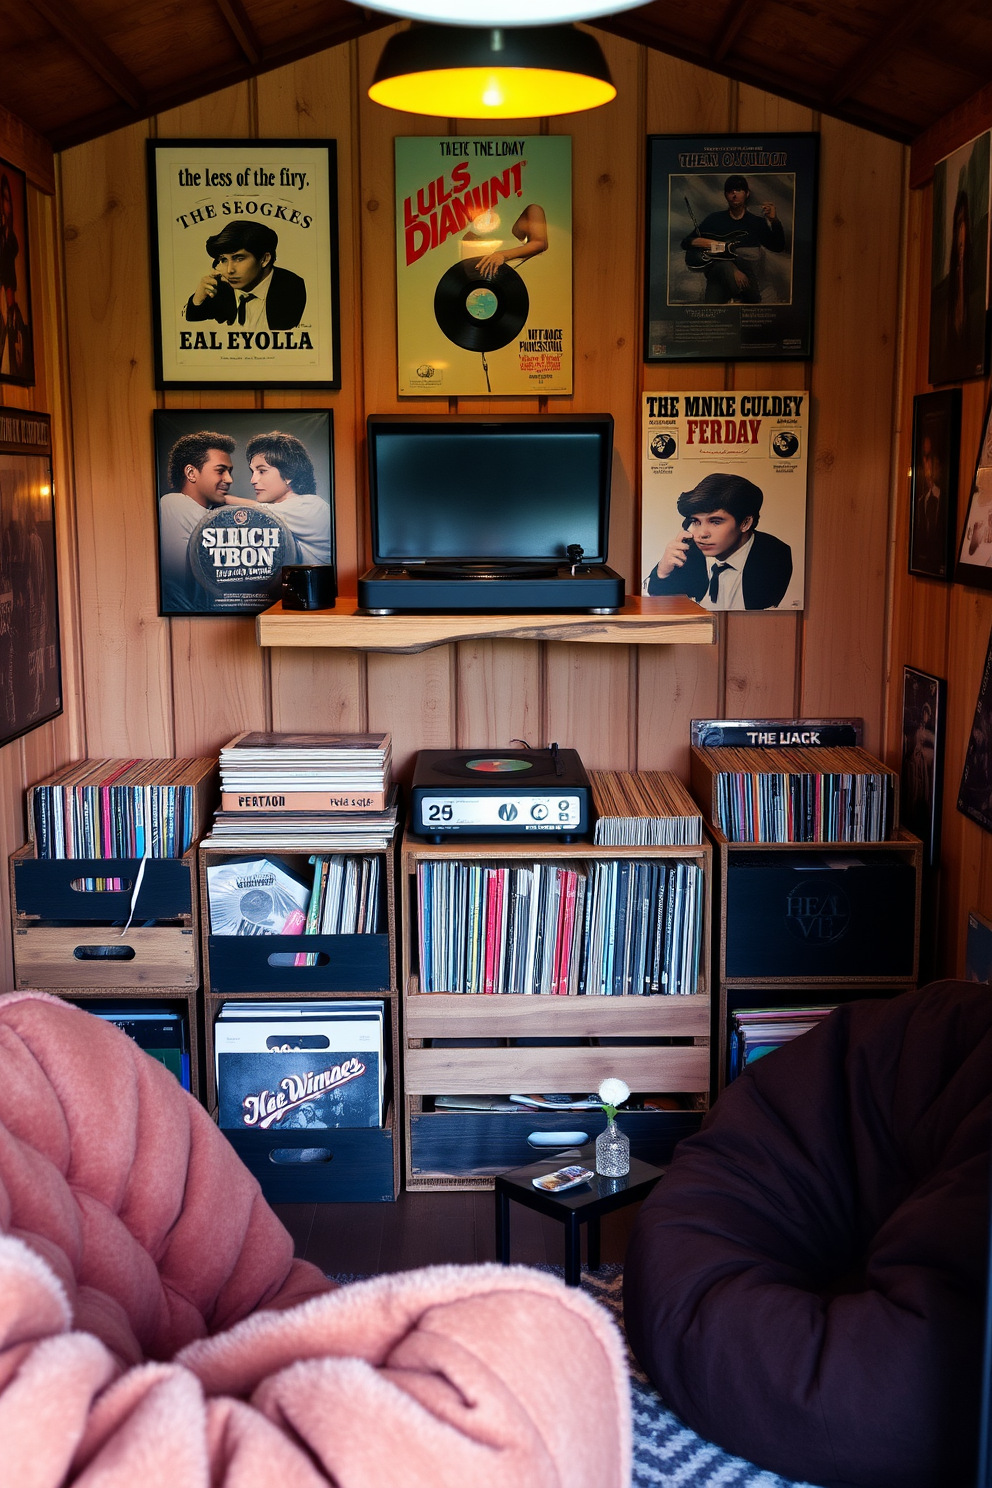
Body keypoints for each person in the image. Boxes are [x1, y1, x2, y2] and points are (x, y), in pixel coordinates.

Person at [644, 472, 793, 611]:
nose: (702, 534)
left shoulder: (774, 555)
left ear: (745, 523)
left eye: (715, 522)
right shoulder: (687, 553)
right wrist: (662, 572)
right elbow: (659, 602)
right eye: (696, 522)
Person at [225, 430, 331, 566]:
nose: (253, 480)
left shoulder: (312, 505)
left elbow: (260, 512)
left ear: (288, 475)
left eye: (262, 471)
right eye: (253, 472)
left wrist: (223, 498)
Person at [159, 432, 235, 611]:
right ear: (191, 473)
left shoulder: (206, 513)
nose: (229, 479)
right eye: (220, 471)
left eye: (229, 472)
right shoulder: (174, 504)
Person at [681, 174, 785, 305]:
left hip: (746, 279)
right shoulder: (715, 219)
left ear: (747, 193)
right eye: (730, 191)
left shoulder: (756, 223)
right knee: (714, 303)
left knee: (749, 301)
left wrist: (774, 220)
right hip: (717, 277)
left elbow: (778, 247)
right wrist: (714, 245)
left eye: (739, 190)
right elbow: (686, 242)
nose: (734, 195)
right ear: (725, 195)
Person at [185, 221, 306, 332]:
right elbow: (192, 322)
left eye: (238, 258)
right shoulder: (219, 287)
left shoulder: (291, 286)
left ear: (264, 259)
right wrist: (198, 299)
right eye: (223, 260)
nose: (229, 270)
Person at [930, 187, 986, 384]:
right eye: (958, 225)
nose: (961, 231)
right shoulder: (951, 284)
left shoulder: (975, 277)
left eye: (964, 224)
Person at [911, 431, 946, 573]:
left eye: (930, 463)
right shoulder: (921, 501)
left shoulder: (941, 498)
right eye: (925, 464)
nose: (927, 468)